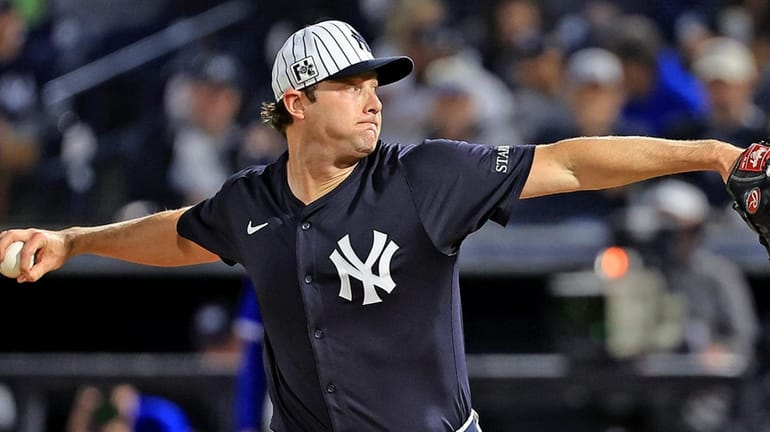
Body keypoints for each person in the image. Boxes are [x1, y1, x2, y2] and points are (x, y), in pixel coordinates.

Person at [0, 19, 750, 432]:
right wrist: (73, 242)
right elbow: (179, 233)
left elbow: (573, 163)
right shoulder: (252, 200)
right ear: (296, 102)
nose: (373, 98)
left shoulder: (424, 177)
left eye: (376, 84)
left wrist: (712, 153)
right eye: (350, 85)